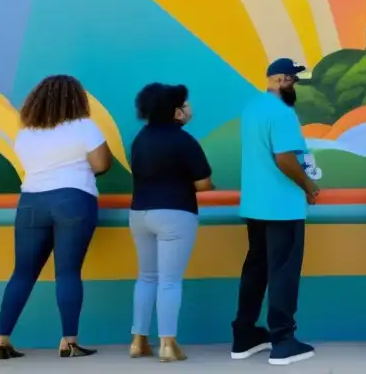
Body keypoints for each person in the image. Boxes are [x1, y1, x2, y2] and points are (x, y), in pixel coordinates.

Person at [0, 75, 113, 359]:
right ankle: (69, 343)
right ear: (77, 99)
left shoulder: (26, 133)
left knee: (22, 273)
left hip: (31, 202)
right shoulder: (84, 127)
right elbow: (102, 164)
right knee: (68, 272)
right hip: (73, 199)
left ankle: (1, 341)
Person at [232, 58, 319, 366]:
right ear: (282, 79)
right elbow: (284, 158)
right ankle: (283, 339)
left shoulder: (252, 108)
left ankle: (244, 334)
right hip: (283, 207)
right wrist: (309, 186)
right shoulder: (283, 113)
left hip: (255, 205)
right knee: (283, 273)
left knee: (256, 269)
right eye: (293, 80)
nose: (295, 86)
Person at [128, 83, 213, 362]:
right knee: (169, 281)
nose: (189, 109)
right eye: (185, 105)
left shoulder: (140, 139)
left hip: (139, 213)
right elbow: (203, 184)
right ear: (176, 112)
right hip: (176, 214)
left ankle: (139, 341)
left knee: (146, 277)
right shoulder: (184, 141)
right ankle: (167, 343)